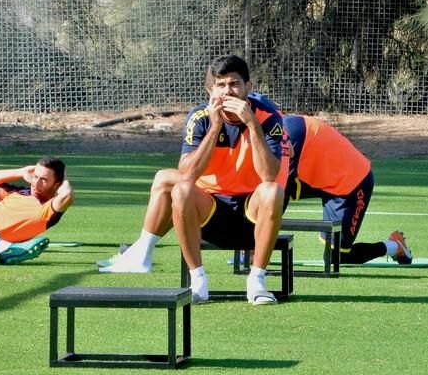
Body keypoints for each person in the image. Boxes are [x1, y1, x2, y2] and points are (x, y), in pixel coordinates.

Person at [99, 54, 289, 305]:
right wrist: (214, 127)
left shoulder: (268, 117)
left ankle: (256, 283)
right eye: (220, 85)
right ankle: (198, 281)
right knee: (180, 189)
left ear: (248, 88)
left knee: (272, 191)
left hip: (250, 210)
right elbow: (187, 174)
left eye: (234, 84)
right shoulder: (200, 117)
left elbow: (268, 175)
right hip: (210, 209)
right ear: (211, 89)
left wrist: (252, 124)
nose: (227, 92)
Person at [283, 114, 412, 264]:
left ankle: (395, 246)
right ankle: (251, 249)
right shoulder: (275, 130)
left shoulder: (288, 134)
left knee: (337, 257)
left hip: (352, 182)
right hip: (323, 177)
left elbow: (278, 195)